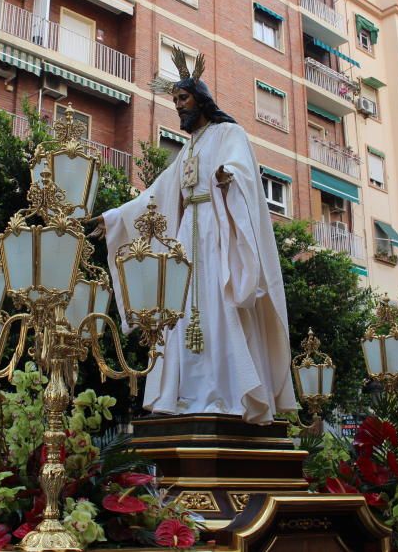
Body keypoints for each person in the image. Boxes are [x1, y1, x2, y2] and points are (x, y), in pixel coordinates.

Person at [93, 51, 295, 424]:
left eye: (183, 99)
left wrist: (228, 177)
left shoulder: (228, 133)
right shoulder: (186, 150)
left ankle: (230, 395)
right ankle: (187, 396)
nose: (178, 106)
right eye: (174, 101)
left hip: (219, 229)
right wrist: (114, 218)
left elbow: (243, 169)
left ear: (200, 98)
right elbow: (154, 194)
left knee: (223, 305)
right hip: (186, 239)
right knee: (180, 312)